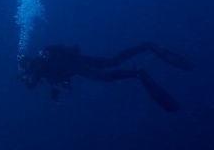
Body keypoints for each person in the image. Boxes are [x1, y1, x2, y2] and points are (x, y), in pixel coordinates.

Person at [18, 42, 195, 111]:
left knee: (107, 77)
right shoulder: (43, 63)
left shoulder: (40, 68)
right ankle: (146, 46)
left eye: (25, 66)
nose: (27, 69)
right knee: (112, 61)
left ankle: (136, 72)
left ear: (28, 63)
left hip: (77, 66)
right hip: (79, 61)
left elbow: (31, 85)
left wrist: (26, 80)